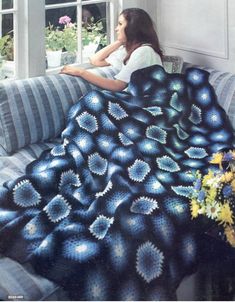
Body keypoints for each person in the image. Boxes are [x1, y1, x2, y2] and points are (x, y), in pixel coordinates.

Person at [60, 8, 163, 92]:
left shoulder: (144, 51)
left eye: (120, 24)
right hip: (133, 101)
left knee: (93, 100)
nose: (116, 29)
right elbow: (95, 60)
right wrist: (120, 41)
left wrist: (81, 72)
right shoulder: (128, 51)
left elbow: (118, 85)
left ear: (132, 27)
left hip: (146, 105)